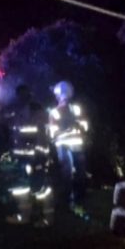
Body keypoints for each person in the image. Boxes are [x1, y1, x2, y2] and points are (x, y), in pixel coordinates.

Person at [6, 85, 54, 225]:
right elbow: (16, 135)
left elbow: (41, 136)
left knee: (40, 189)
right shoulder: (21, 111)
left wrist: (39, 157)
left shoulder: (35, 111)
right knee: (22, 188)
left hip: (34, 157)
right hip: (24, 157)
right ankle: (25, 217)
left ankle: (46, 219)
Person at [48, 80, 89, 208]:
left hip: (70, 145)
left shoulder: (70, 110)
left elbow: (85, 126)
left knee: (75, 173)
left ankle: (74, 198)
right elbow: (53, 134)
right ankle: (72, 199)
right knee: (71, 172)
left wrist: (78, 126)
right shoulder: (57, 112)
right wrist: (69, 128)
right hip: (69, 145)